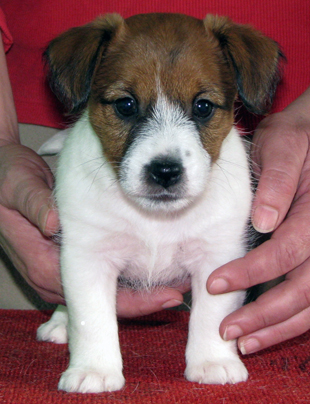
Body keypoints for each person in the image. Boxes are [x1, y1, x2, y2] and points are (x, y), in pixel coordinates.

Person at [0, 0, 309, 354]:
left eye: (203, 107)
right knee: (76, 257)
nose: (165, 161)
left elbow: (220, 259)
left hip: (293, 146)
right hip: (21, 128)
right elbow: (87, 255)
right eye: (126, 106)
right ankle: (71, 312)